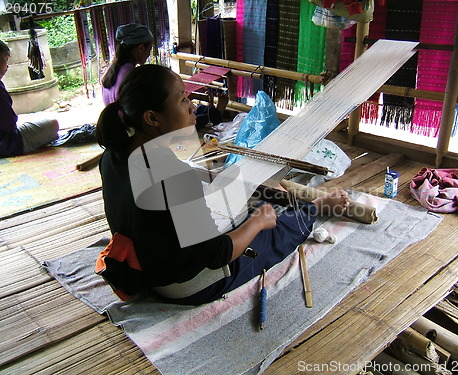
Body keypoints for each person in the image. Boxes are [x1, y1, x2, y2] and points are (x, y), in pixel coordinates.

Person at [96, 64, 349, 305]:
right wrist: (257, 223)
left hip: (146, 268)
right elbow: (218, 255)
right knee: (274, 230)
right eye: (182, 99)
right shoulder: (173, 175)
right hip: (185, 285)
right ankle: (317, 206)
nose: (192, 106)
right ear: (152, 118)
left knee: (248, 207)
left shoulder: (114, 155)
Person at [0, 40, 59, 157]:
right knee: (54, 124)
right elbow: (9, 123)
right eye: (5, 60)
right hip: (8, 143)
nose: (7, 66)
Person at [101, 23, 153, 106]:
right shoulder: (131, 75)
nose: (148, 55)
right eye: (149, 50)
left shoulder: (111, 71)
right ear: (141, 48)